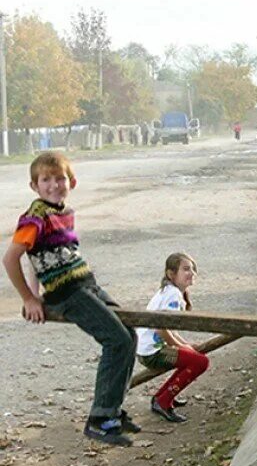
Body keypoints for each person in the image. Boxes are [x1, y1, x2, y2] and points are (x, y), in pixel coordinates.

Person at [2, 152, 139, 447]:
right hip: (68, 294)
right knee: (117, 341)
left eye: (60, 178)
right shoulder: (34, 218)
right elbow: (11, 257)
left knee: (130, 333)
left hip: (86, 284)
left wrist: (35, 291)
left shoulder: (64, 211)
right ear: (34, 186)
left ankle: (113, 411)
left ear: (72, 182)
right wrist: (30, 298)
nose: (54, 185)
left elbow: (37, 256)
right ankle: (100, 420)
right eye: (46, 180)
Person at [135, 253, 209, 423]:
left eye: (192, 269)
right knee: (200, 362)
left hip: (147, 348)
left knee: (193, 358)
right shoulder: (173, 295)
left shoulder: (171, 292)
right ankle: (163, 401)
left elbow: (170, 329)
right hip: (152, 352)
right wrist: (180, 347)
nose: (191, 273)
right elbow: (161, 329)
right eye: (185, 269)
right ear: (171, 274)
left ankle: (163, 396)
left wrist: (185, 345)